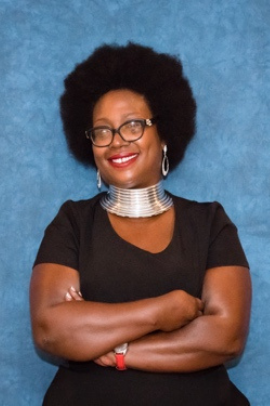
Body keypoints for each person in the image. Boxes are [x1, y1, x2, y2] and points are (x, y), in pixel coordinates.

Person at [30, 42, 251, 406]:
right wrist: (165, 311)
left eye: (133, 125)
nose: (116, 142)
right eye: (102, 131)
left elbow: (225, 337)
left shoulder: (209, 222)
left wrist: (116, 350)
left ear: (163, 135)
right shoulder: (72, 222)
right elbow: (51, 331)